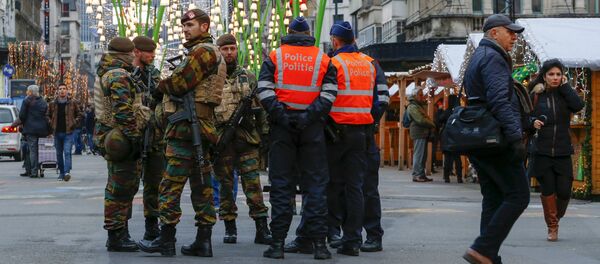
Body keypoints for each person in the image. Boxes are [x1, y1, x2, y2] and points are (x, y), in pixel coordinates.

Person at [138, 9, 226, 258]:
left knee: (170, 185)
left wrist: (160, 85)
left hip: (188, 127)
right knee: (201, 186)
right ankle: (203, 241)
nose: (185, 29)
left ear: (205, 27)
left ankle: (166, 240)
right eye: (184, 25)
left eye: (191, 25)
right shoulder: (207, 51)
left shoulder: (203, 51)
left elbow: (179, 83)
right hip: (200, 125)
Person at [257, 16, 337, 260]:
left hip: (283, 129)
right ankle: (320, 246)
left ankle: (278, 244)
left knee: (281, 186)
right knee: (315, 187)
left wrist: (282, 116)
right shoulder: (323, 59)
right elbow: (330, 94)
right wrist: (308, 117)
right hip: (312, 129)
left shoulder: (275, 56)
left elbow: (264, 89)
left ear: (288, 31)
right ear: (309, 33)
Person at [462, 14, 530, 264]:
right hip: (495, 138)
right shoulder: (493, 58)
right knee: (518, 195)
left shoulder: (479, 56)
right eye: (509, 32)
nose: (514, 37)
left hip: (480, 138)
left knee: (493, 196)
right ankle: (483, 248)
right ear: (493, 33)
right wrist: (515, 138)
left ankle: (487, 255)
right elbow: (499, 100)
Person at [325, 21, 389, 256]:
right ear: (354, 40)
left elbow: (326, 98)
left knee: (337, 185)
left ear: (334, 41)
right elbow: (382, 98)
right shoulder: (371, 63)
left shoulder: (333, 63)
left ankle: (343, 234)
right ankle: (371, 236)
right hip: (364, 133)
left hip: (338, 134)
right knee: (365, 186)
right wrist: (370, 120)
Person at [213, 33, 272, 245]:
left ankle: (261, 227)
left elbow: (261, 109)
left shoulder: (248, 76)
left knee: (253, 185)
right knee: (226, 186)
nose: (229, 53)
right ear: (218, 51)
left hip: (247, 139)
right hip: (222, 140)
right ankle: (230, 227)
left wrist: (264, 134)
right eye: (225, 49)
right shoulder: (212, 79)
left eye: (232, 49)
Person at [94, 37, 142, 252]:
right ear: (125, 55)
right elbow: (123, 111)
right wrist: (135, 138)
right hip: (119, 138)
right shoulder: (118, 75)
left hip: (115, 136)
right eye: (132, 54)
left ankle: (121, 232)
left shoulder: (110, 72)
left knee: (123, 186)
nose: (134, 57)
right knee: (120, 187)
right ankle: (116, 235)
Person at [529, 59, 584, 241]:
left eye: (558, 74)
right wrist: (531, 122)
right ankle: (552, 226)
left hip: (562, 150)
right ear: (544, 76)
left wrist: (566, 87)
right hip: (542, 151)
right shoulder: (536, 95)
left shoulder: (565, 94)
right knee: (548, 189)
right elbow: (522, 117)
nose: (555, 78)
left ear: (563, 76)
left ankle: (555, 216)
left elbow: (578, 106)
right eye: (551, 74)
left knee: (564, 191)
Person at [131, 36, 166, 244]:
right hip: (132, 134)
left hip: (154, 135)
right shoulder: (126, 73)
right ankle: (119, 230)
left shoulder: (153, 74)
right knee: (127, 184)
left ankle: (151, 225)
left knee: (155, 183)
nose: (153, 56)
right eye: (149, 52)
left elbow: (159, 99)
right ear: (137, 52)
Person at [48, 83, 83, 181]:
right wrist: (50, 122)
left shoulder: (72, 102)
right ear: (57, 91)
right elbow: (47, 115)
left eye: (64, 89)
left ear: (67, 91)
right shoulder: (52, 103)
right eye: (60, 89)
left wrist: (74, 122)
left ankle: (67, 172)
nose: (62, 90)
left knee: (67, 152)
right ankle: (61, 173)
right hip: (57, 132)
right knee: (59, 154)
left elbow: (80, 114)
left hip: (69, 132)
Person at [18, 85, 50, 178]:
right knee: (40, 150)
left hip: (30, 130)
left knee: (32, 151)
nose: (27, 92)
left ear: (31, 92)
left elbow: (22, 115)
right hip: (42, 130)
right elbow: (47, 115)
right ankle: (41, 170)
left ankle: (34, 172)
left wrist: (24, 123)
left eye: (27, 91)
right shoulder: (43, 102)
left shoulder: (26, 101)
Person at [406, 88, 435, 182]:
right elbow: (420, 120)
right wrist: (432, 124)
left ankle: (421, 174)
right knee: (419, 154)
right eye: (420, 95)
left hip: (422, 132)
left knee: (422, 155)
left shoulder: (418, 105)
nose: (422, 96)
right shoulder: (413, 106)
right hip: (418, 132)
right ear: (415, 96)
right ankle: (417, 174)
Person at [439, 95, 463, 183]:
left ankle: (446, 177)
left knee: (448, 157)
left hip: (447, 135)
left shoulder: (447, 112)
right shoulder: (459, 112)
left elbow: (440, 119)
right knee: (457, 157)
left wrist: (440, 110)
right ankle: (459, 177)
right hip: (456, 135)